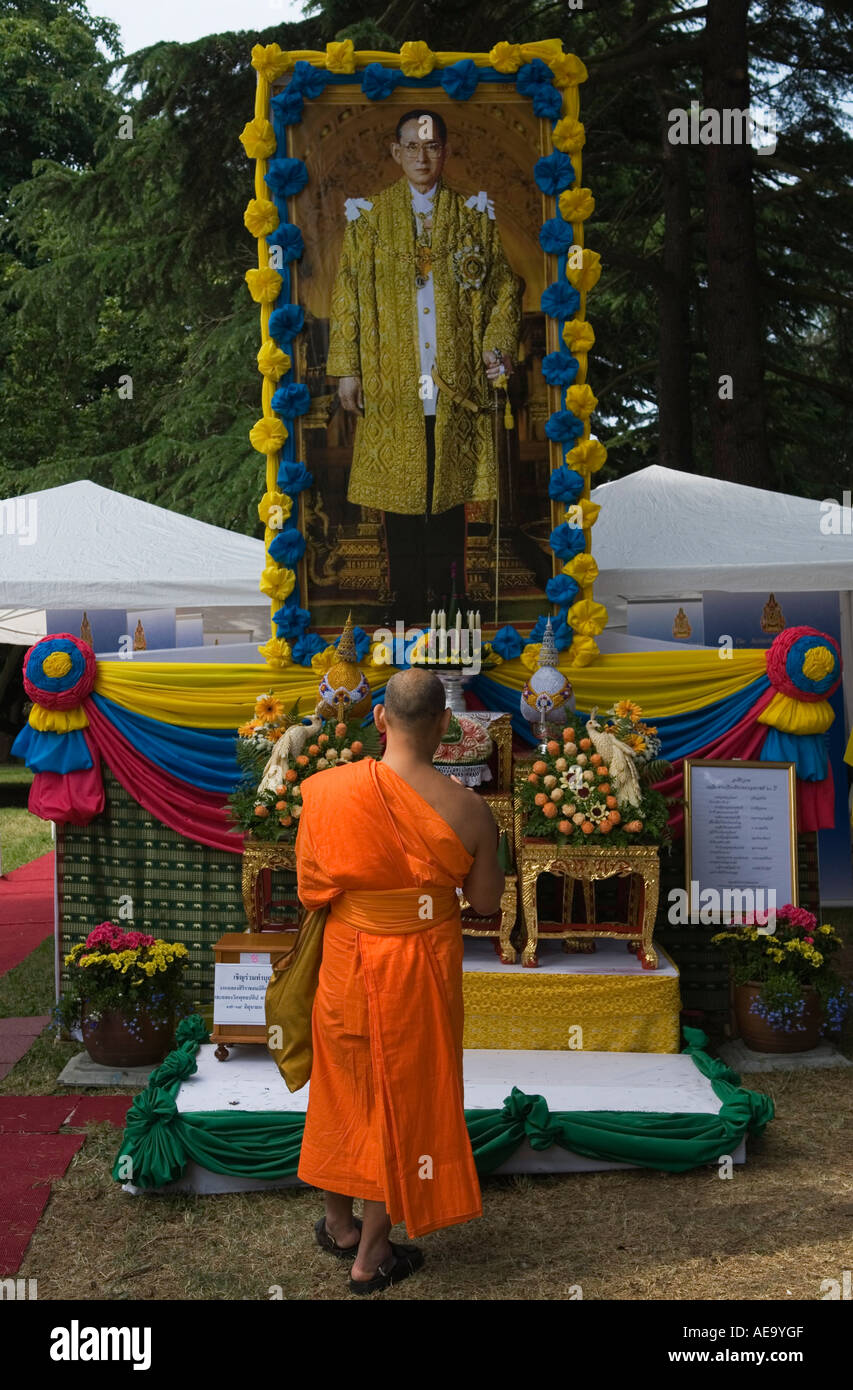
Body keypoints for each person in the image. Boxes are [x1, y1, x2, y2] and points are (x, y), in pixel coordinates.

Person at [295, 668, 504, 1294]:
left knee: (346, 1085)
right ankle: (372, 1257)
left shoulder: (327, 791)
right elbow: (488, 902)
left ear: (380, 720)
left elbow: (312, 890)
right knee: (401, 1096)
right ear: (446, 725)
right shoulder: (469, 810)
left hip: (346, 958)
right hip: (419, 965)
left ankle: (341, 1224)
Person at [326, 109, 521, 617]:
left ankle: (452, 606)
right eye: (411, 146)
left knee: (450, 499)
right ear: (396, 152)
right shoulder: (368, 221)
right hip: (393, 382)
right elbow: (346, 293)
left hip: (455, 381)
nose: (422, 156)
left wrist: (495, 349)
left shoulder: (474, 217)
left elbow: (503, 290)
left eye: (431, 146)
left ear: (446, 151)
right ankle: (405, 603)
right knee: (401, 498)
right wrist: (348, 367)